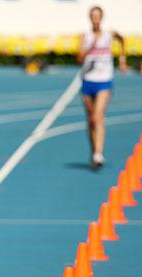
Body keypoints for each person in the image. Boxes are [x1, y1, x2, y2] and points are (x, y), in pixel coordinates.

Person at [77, 5, 127, 168]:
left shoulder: (109, 34)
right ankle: (94, 152)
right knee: (91, 120)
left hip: (104, 80)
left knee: (97, 117)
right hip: (88, 80)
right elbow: (78, 59)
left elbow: (122, 39)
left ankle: (99, 153)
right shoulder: (85, 36)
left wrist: (122, 58)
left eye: (98, 16)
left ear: (102, 18)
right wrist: (90, 47)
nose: (96, 19)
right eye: (93, 16)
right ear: (90, 18)